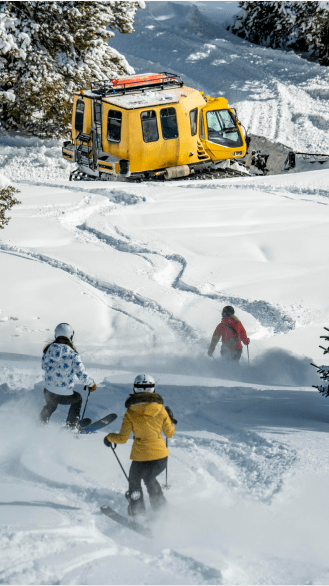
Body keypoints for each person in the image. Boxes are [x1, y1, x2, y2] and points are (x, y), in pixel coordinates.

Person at [104, 374, 175, 517]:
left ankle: (138, 512)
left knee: (135, 481)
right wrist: (170, 419)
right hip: (160, 458)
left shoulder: (130, 412)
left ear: (135, 389)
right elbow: (169, 433)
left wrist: (109, 438)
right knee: (149, 478)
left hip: (140, 458)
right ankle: (161, 509)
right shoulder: (161, 409)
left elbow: (123, 438)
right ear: (153, 389)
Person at [39, 323, 96, 428]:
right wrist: (91, 384)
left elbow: (44, 366)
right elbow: (82, 375)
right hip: (64, 396)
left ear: (56, 335)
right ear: (70, 336)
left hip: (48, 391)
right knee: (77, 398)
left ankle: (41, 422)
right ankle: (71, 425)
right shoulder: (73, 354)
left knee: (51, 405)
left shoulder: (48, 350)